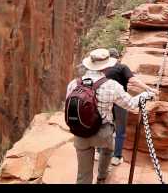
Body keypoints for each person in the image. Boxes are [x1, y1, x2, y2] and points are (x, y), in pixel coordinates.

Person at [66, 48, 155, 184]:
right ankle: (102, 176)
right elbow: (131, 104)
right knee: (109, 148)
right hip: (102, 134)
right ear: (107, 67)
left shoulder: (73, 84)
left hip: (80, 133)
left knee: (83, 174)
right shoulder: (112, 86)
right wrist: (146, 94)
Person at [95, 48, 158, 166]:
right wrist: (148, 89)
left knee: (103, 125)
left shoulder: (103, 69)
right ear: (118, 57)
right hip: (120, 102)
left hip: (105, 100)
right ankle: (116, 157)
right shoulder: (121, 67)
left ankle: (98, 152)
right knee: (120, 130)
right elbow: (133, 80)